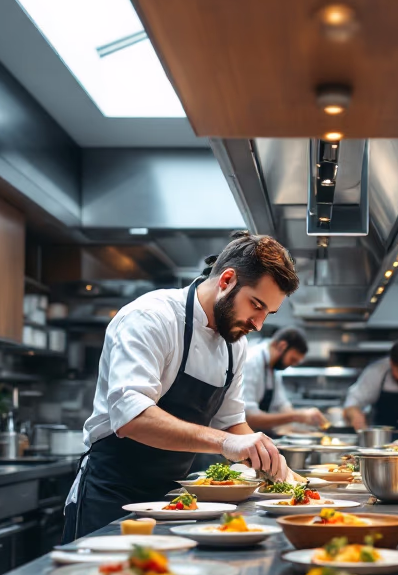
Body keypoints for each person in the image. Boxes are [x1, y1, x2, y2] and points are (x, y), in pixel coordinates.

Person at [63, 231, 300, 541]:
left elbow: (230, 423)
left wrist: (279, 467)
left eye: (267, 313)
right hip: (110, 497)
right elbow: (132, 418)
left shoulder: (234, 345)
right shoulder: (151, 317)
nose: (258, 324)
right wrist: (224, 444)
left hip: (175, 502)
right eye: (255, 305)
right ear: (227, 280)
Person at [242, 326, 327, 432]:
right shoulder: (251, 362)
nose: (292, 365)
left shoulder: (273, 368)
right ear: (282, 346)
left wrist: (303, 428)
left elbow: (282, 405)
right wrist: (298, 416)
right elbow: (249, 417)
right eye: (292, 359)